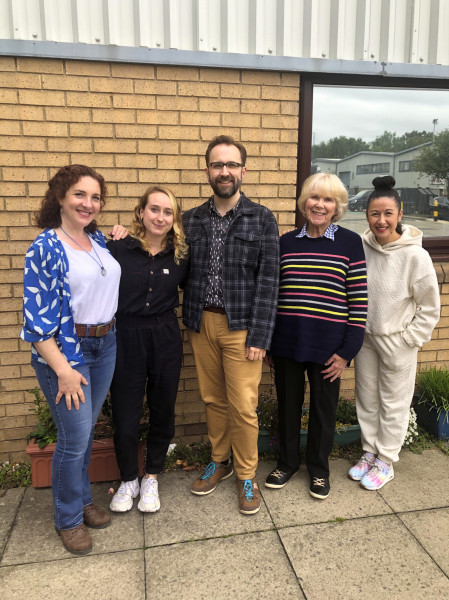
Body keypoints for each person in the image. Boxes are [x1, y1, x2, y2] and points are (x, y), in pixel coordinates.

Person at [21, 165, 124, 555]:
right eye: (80, 194)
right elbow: (35, 322)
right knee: (74, 438)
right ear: (61, 196)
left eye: (96, 197)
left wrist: (121, 234)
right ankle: (67, 519)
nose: (88, 203)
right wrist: (62, 369)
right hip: (66, 352)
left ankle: (81, 501)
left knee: (85, 432)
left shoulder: (96, 240)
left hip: (106, 343)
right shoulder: (46, 246)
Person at [182, 135, 280, 515]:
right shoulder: (190, 219)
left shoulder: (262, 218)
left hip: (241, 327)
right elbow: (165, 254)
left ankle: (246, 475)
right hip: (200, 321)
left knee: (243, 406)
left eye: (231, 165)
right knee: (212, 399)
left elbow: (270, 280)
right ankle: (219, 461)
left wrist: (260, 336)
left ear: (243, 170)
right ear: (207, 170)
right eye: (217, 165)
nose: (224, 172)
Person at [265, 173, 367, 500]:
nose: (319, 205)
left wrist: (347, 352)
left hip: (329, 349)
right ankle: (287, 463)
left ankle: (319, 470)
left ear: (336, 206)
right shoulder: (286, 243)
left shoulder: (351, 243)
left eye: (327, 200)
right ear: (304, 202)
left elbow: (359, 301)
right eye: (314, 198)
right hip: (288, 344)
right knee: (288, 407)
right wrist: (269, 342)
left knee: (324, 412)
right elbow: (274, 295)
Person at [348, 176, 440, 490]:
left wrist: (409, 340)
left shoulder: (416, 256)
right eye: (375, 214)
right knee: (368, 399)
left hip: (397, 342)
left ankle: (386, 460)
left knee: (394, 403)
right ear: (367, 215)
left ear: (400, 214)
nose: (382, 220)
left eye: (388, 213)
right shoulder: (361, 248)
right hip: (366, 339)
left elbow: (429, 308)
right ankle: (369, 452)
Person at [107, 186, 188, 513]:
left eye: (168, 212)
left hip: (166, 335)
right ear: (141, 212)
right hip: (126, 335)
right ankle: (128, 479)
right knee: (125, 414)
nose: (160, 217)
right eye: (154, 209)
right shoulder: (117, 248)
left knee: (162, 408)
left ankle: (152, 475)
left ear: (174, 219)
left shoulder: (182, 253)